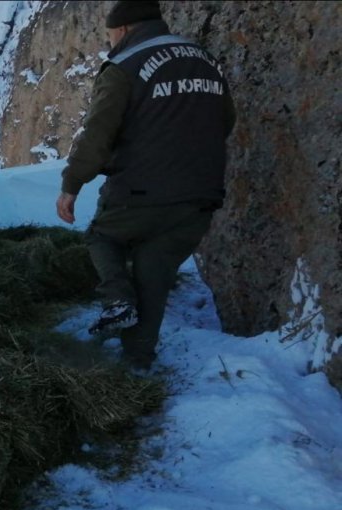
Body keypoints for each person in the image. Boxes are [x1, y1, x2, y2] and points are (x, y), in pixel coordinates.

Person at [55, 0, 236, 369]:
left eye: (109, 34)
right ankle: (137, 360)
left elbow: (97, 135)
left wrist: (72, 183)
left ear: (122, 29)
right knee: (155, 269)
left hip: (141, 190)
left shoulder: (123, 66)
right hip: (201, 193)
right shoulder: (205, 60)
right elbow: (226, 120)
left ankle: (118, 301)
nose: (109, 41)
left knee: (102, 237)